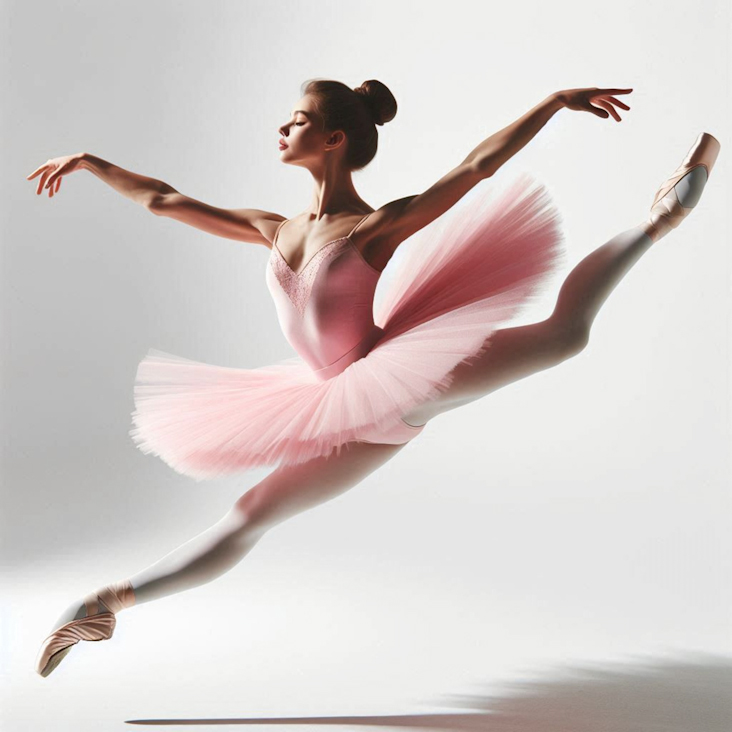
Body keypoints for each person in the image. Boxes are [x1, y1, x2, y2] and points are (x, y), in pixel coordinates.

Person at [27, 79, 719, 677]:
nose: (282, 127)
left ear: (332, 139)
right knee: (249, 518)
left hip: (398, 381)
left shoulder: (374, 230)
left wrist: (552, 103)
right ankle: (103, 607)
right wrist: (90, 161)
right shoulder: (272, 227)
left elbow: (476, 167)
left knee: (565, 335)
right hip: (338, 408)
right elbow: (164, 199)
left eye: (296, 120)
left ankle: (660, 218)